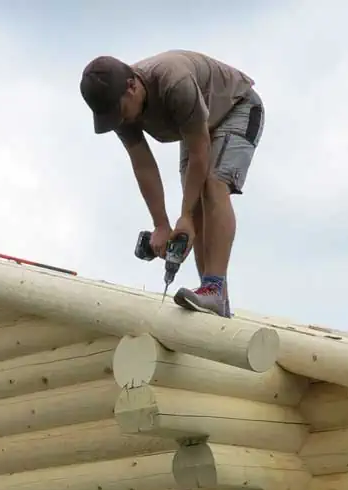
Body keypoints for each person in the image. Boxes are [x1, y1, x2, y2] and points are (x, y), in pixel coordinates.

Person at [79, 51, 265, 318]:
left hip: (236, 107)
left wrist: (186, 217)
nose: (119, 121)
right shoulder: (118, 109)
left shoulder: (173, 82)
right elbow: (142, 164)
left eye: (119, 113)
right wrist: (162, 224)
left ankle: (214, 288)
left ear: (132, 87)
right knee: (193, 203)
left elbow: (200, 152)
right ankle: (212, 298)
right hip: (196, 125)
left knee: (212, 185)